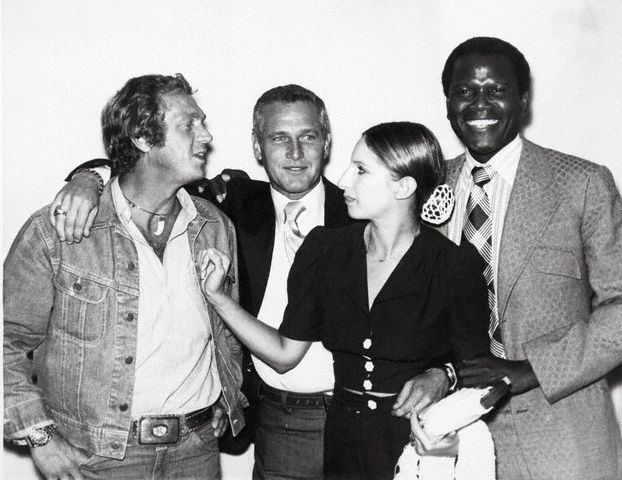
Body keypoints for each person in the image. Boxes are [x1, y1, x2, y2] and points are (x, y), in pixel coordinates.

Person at [47, 86, 457, 480]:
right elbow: (143, 173)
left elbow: (441, 316)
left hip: (376, 421)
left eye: (308, 137)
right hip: (282, 422)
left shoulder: (367, 207)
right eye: (279, 138)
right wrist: (90, 178)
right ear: (258, 147)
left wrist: (442, 372)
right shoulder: (228, 206)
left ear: (327, 142)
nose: (295, 154)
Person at [199, 121, 491, 480]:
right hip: (342, 445)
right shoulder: (326, 250)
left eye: (361, 170)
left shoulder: (453, 265)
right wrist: (218, 298)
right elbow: (283, 354)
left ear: (404, 186)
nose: (344, 179)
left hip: (423, 447)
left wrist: (442, 374)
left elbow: (480, 370)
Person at [3, 73, 246, 479]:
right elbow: (6, 338)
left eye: (203, 123)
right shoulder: (60, 231)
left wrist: (226, 394)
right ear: (142, 137)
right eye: (190, 124)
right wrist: (39, 436)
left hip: (198, 452)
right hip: (99, 458)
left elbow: (226, 332)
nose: (206, 137)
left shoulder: (215, 226)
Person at [413, 36, 622, 479]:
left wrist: (531, 370)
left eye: (497, 90)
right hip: (452, 439)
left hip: (562, 434)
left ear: (523, 101)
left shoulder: (582, 183)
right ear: (448, 102)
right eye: (466, 91)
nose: (480, 104)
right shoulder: (427, 187)